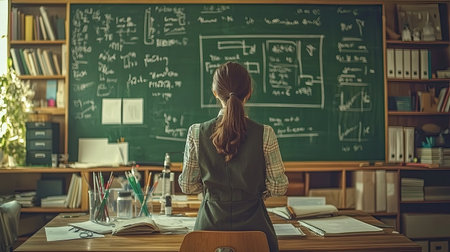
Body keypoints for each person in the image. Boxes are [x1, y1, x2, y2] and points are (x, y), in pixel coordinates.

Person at [178, 61, 289, 252]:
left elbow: (188, 186)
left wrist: (210, 192)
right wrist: (256, 193)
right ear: (248, 93)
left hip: (207, 233)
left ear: (215, 93)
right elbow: (278, 187)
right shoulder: (266, 133)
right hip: (257, 234)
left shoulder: (196, 132)